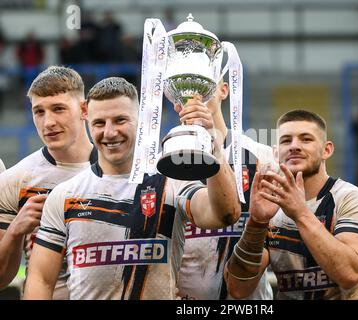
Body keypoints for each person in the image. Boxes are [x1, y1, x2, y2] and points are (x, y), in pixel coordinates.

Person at [23, 77, 241, 300]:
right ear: (87, 121)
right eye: (99, 123)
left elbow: (224, 214)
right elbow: (41, 278)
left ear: (143, 122)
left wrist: (213, 146)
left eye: (120, 120)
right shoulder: (65, 195)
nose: (109, 132)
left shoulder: (171, 182)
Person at [225, 109, 358, 300]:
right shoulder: (271, 210)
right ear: (275, 153)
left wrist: (300, 213)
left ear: (327, 150)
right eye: (286, 141)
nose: (294, 146)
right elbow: (238, 289)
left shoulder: (354, 199)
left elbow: (349, 275)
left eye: (306, 139)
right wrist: (256, 223)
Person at [0, 66, 97, 298]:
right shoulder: (15, 179)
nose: (48, 122)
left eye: (58, 109)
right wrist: (15, 231)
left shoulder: (121, 172)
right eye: (39, 111)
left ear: (84, 109)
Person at [176, 81, 274, 300]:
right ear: (176, 103)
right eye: (186, 92)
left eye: (203, 87)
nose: (195, 99)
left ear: (223, 90)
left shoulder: (263, 157)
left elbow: (278, 242)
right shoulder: (163, 164)